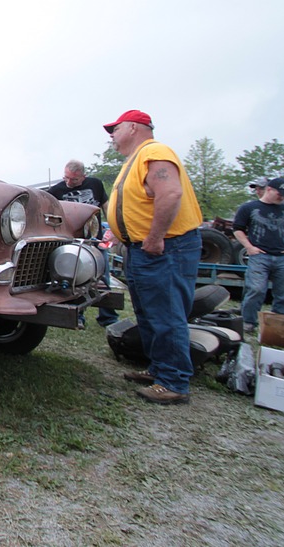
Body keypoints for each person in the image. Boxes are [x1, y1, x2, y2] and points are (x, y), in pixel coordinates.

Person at [104, 110, 203, 405]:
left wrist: (156, 237)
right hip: (145, 250)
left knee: (167, 314)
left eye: (115, 128)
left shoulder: (155, 151)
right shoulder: (134, 160)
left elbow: (170, 193)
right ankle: (160, 370)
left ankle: (173, 382)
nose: (111, 135)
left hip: (165, 248)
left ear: (134, 127)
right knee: (150, 313)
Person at [46, 160, 118, 326]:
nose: (69, 182)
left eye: (74, 180)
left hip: (95, 242)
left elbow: (106, 207)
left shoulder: (96, 184)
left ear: (83, 177)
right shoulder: (57, 190)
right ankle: (77, 316)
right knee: (76, 281)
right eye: (66, 178)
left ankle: (108, 318)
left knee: (103, 279)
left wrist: (113, 228)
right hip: (73, 244)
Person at [231, 177, 284, 334]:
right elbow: (238, 228)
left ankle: (279, 326)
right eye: (280, 194)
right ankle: (248, 322)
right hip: (260, 256)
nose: (283, 197)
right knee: (256, 289)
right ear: (270, 190)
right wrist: (249, 247)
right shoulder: (249, 207)